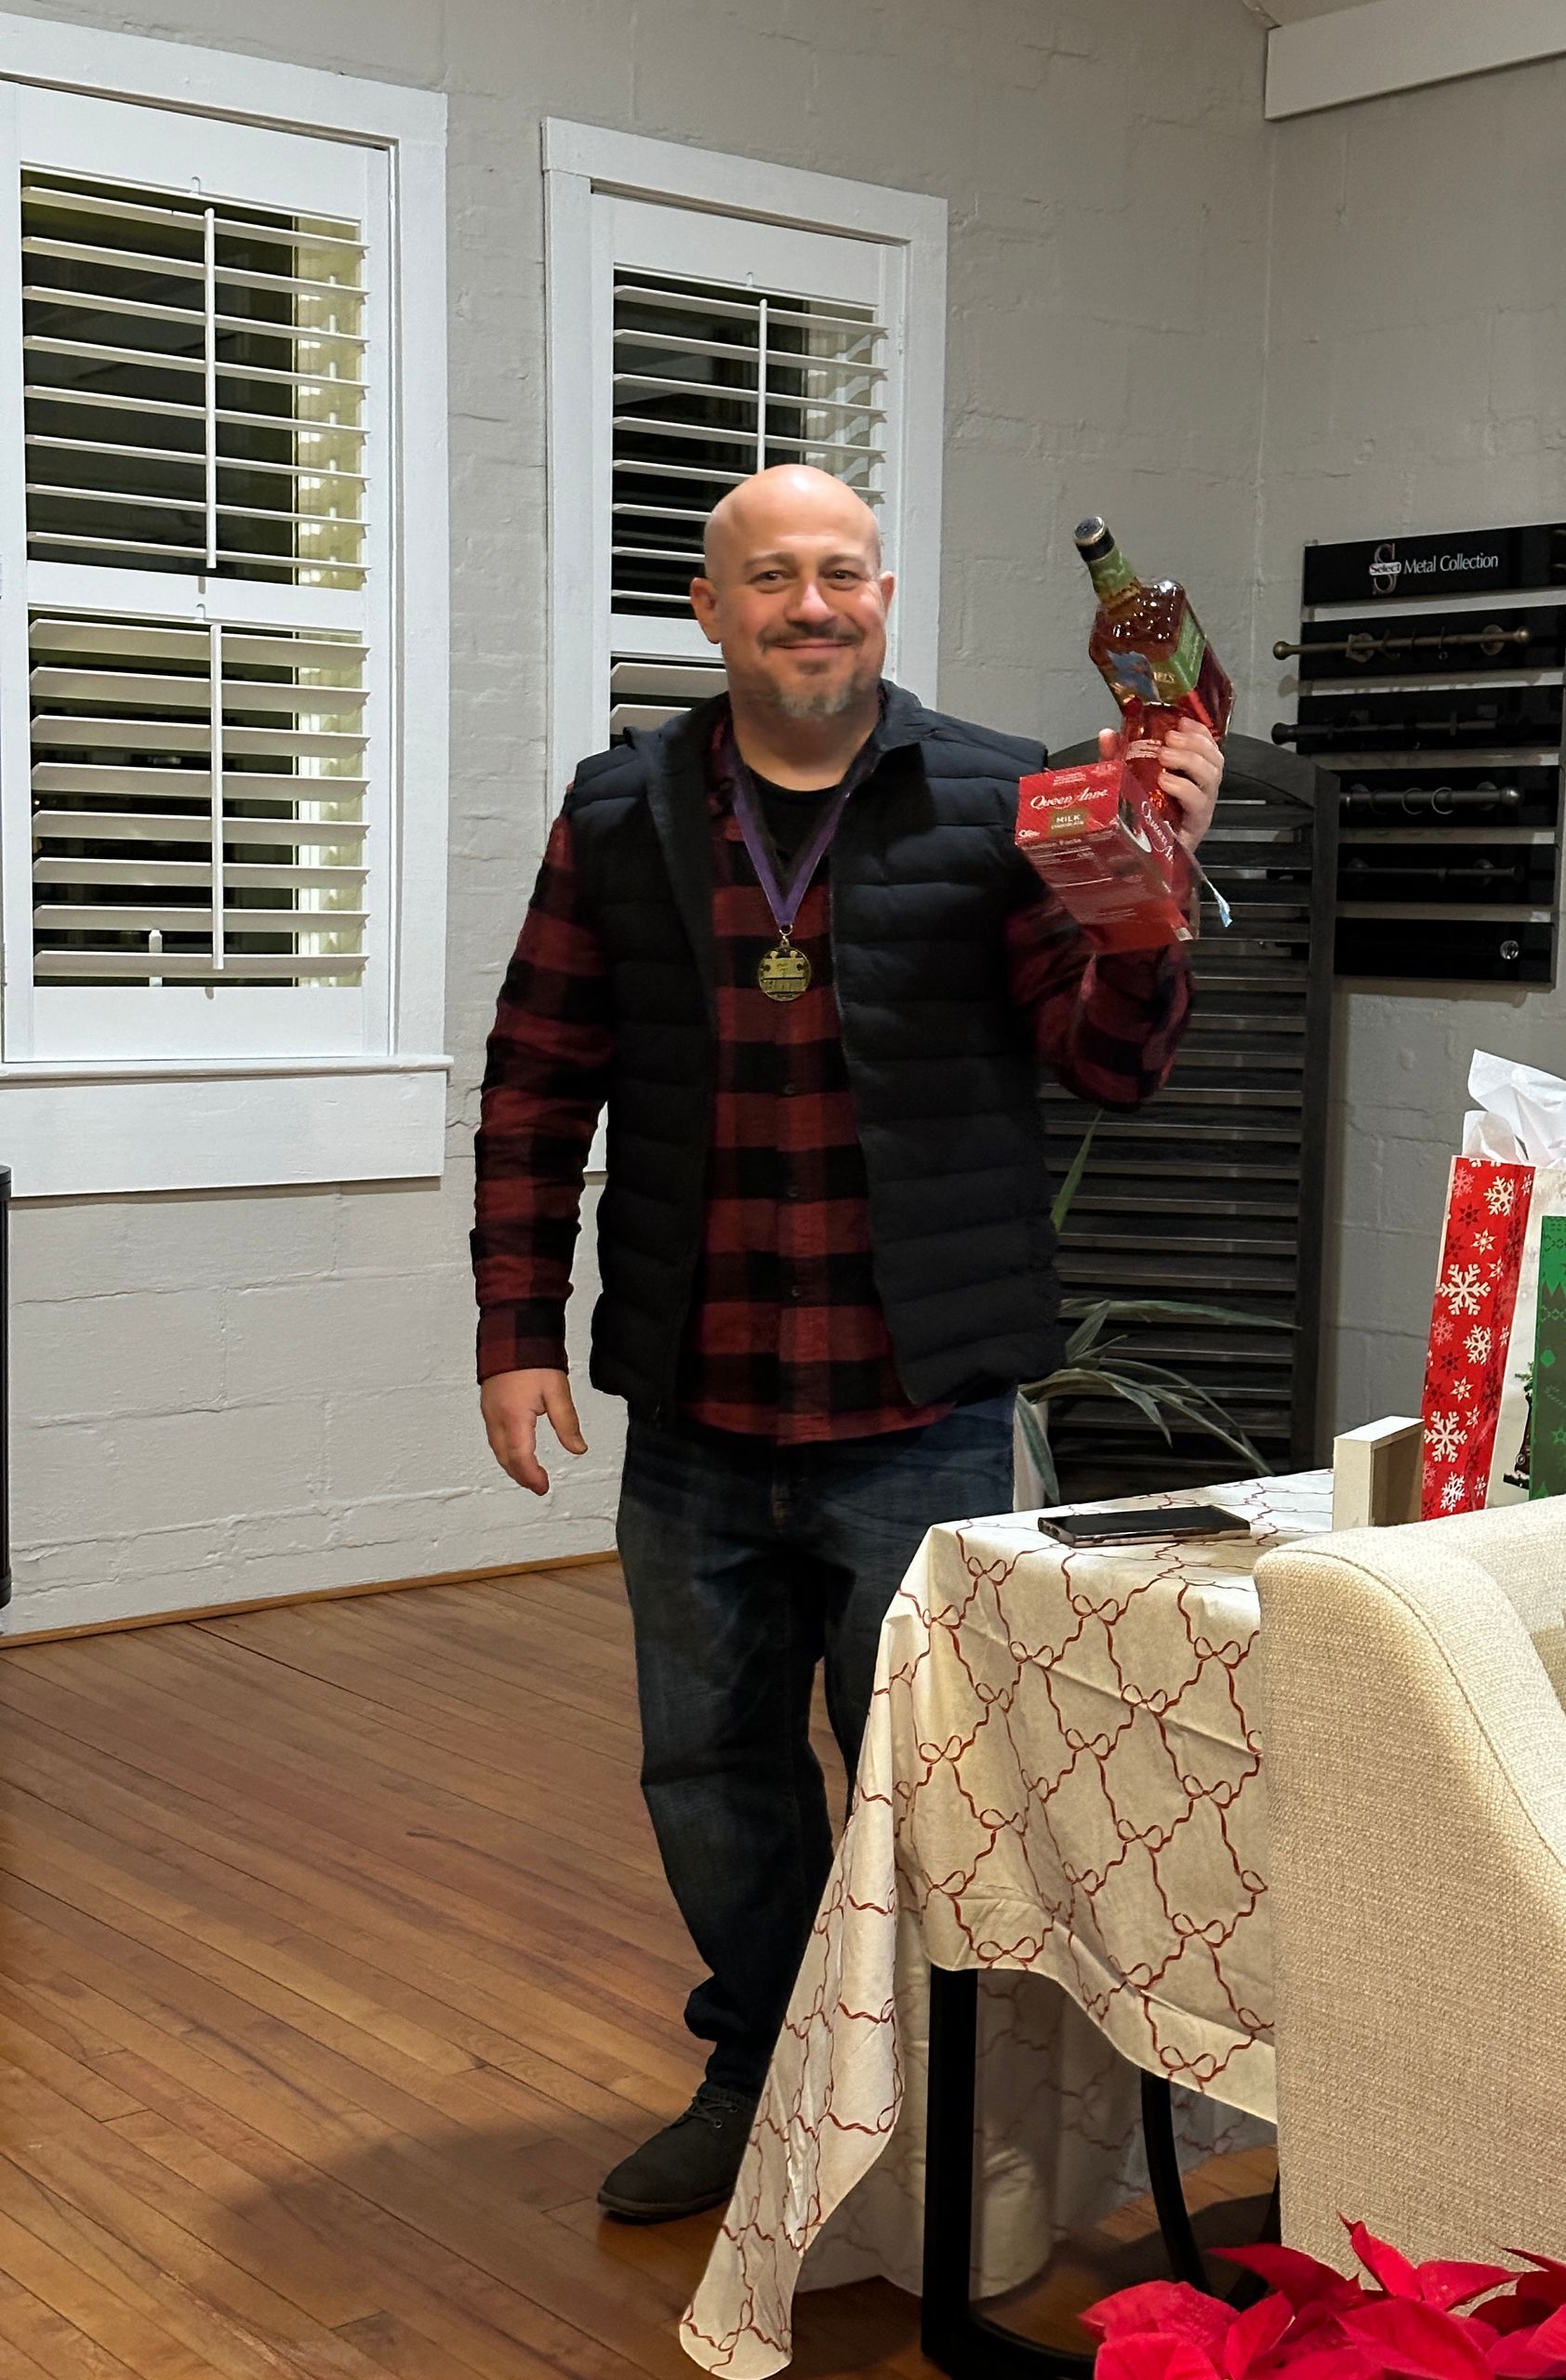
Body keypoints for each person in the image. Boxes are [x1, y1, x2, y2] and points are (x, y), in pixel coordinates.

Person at [471, 465, 1223, 2222]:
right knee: (708, 1771)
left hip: (927, 1399)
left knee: (939, 1776)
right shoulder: (619, 808)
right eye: (774, 578)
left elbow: (1111, 1065)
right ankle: (763, 2073)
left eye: (847, 574)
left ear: (885, 593)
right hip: (700, 1395)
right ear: (709, 608)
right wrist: (518, 1328)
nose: (816, 605)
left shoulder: (1004, 794)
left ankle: (940, 2115)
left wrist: (1147, 900)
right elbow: (537, 1079)